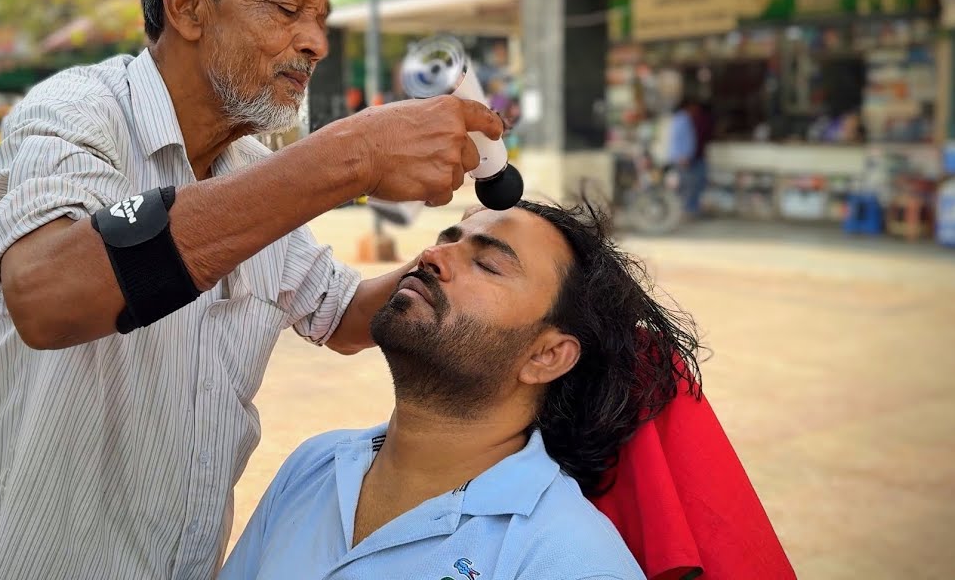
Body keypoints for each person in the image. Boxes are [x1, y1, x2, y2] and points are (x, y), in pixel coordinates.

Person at [0, 0, 504, 580]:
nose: (314, 42)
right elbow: (47, 293)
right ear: (187, 6)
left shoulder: (249, 172)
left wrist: (464, 254)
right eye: (288, 9)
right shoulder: (79, 113)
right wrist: (350, 154)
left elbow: (347, 317)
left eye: (321, 19)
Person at [220, 200, 701, 579]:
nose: (431, 256)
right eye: (445, 239)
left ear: (546, 355)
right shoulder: (315, 464)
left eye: (488, 265)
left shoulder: (568, 560)